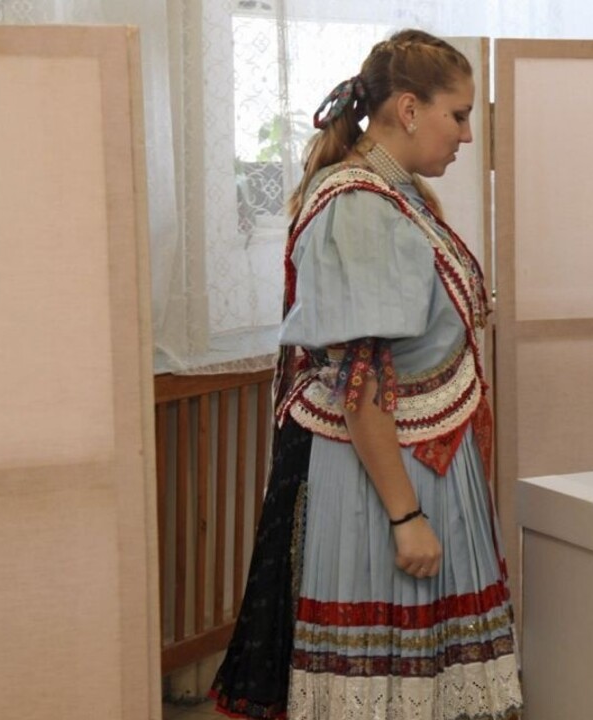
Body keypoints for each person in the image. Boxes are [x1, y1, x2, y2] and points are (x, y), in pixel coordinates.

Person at [209, 29, 523, 720]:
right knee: (386, 684)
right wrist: (406, 515)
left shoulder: (393, 193)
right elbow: (363, 386)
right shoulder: (360, 206)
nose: (467, 136)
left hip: (423, 459)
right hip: (382, 479)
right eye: (460, 115)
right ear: (409, 110)